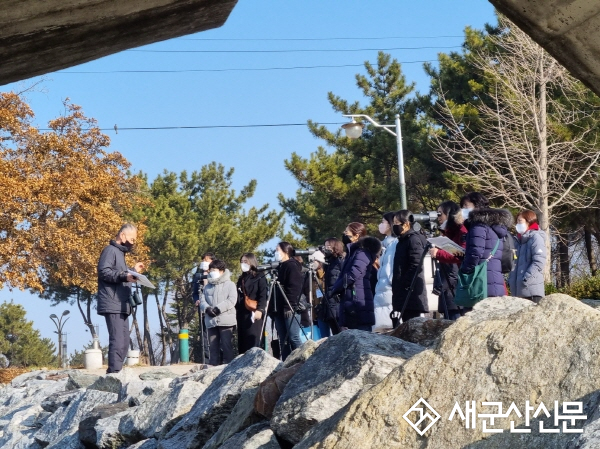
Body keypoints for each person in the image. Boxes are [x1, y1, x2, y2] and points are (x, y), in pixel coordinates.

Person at [97, 223, 144, 374]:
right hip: (112, 302)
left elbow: (119, 273)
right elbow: (104, 272)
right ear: (122, 236)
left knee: (123, 342)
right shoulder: (110, 250)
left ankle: (117, 371)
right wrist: (125, 275)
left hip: (123, 304)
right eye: (132, 238)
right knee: (117, 340)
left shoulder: (120, 254)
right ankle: (113, 374)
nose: (133, 242)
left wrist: (133, 272)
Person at [460, 192, 513, 299]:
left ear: (477, 205)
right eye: (462, 206)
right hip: (494, 280)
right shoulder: (492, 225)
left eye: (466, 206)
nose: (463, 209)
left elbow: (476, 253)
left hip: (482, 282)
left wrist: (465, 270)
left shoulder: (478, 225)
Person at [330, 222, 381, 331]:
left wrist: (337, 287)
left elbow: (354, 274)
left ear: (356, 235)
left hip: (357, 301)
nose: (344, 234)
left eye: (347, 232)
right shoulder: (352, 253)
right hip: (351, 299)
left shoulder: (362, 252)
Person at [429, 201, 468, 320]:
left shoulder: (461, 231)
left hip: (456, 287)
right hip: (449, 288)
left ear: (449, 214)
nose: (438, 217)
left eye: (440, 214)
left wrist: (439, 253)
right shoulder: (448, 233)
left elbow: (461, 254)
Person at [391, 211, 429, 322]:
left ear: (406, 224)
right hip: (403, 292)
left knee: (412, 324)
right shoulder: (402, 241)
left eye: (397, 223)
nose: (394, 226)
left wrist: (405, 282)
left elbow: (416, 264)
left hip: (411, 292)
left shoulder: (413, 239)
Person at [270, 242, 304, 361]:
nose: (276, 252)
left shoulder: (291, 266)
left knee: (293, 337)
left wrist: (290, 306)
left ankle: (302, 360)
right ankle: (286, 363)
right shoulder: (279, 267)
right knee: (283, 340)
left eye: (277, 250)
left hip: (290, 307)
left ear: (286, 251)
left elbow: (294, 288)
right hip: (278, 309)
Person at [201, 259, 237, 365]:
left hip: (226, 321)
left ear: (222, 271)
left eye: (214, 270)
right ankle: (213, 369)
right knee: (213, 348)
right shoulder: (207, 287)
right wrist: (207, 309)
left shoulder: (230, 284)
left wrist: (218, 309)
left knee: (227, 347)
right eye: (210, 270)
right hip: (211, 321)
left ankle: (230, 368)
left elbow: (232, 300)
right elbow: (202, 300)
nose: (212, 272)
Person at [508, 210, 547, 303]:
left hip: (532, 293)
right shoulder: (517, 241)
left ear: (529, 221)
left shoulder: (536, 237)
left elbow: (539, 261)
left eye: (520, 221)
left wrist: (526, 279)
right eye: (517, 221)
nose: (517, 224)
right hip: (517, 294)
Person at [236, 253, 268, 353]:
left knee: (253, 341)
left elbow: (263, 295)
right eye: (241, 262)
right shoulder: (241, 278)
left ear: (252, 262)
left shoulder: (260, 276)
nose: (243, 264)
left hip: (254, 312)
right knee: (242, 342)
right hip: (242, 313)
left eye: (245, 262)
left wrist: (260, 310)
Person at [373, 212, 397, 331]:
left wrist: (388, 283)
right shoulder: (385, 244)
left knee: (390, 326)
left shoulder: (394, 243)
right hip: (382, 288)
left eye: (383, 222)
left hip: (388, 289)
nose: (380, 225)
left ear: (390, 224)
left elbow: (390, 269)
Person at [319, 238, 345, 337]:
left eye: (329, 246)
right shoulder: (328, 263)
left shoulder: (340, 261)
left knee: (341, 332)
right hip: (329, 301)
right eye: (325, 246)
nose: (326, 249)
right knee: (334, 333)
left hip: (337, 301)